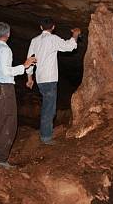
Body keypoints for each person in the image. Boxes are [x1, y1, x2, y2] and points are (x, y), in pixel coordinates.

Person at [0, 22, 36, 169]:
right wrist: (24, 66)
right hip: (5, 89)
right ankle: (0, 159)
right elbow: (6, 71)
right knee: (7, 123)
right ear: (8, 34)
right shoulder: (6, 50)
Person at [26, 17, 81, 145]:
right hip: (50, 79)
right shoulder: (53, 39)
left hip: (40, 79)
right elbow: (69, 47)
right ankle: (46, 137)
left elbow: (30, 60)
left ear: (40, 27)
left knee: (47, 105)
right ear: (53, 27)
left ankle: (45, 133)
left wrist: (30, 78)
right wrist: (75, 34)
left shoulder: (34, 41)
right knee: (49, 108)